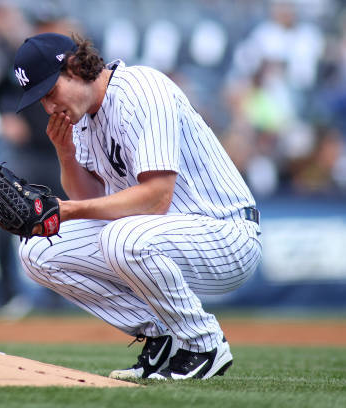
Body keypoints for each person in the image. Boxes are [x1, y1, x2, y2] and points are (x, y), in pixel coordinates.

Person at [13, 33, 262, 380]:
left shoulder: (141, 90)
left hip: (225, 233)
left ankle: (204, 342)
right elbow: (91, 199)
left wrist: (69, 210)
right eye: (40, 101)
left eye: (49, 92)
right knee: (38, 249)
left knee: (121, 237)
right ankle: (163, 334)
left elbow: (156, 198)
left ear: (73, 68)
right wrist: (66, 155)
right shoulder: (84, 120)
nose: (48, 108)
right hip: (158, 236)